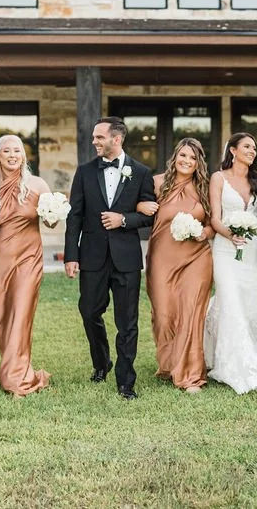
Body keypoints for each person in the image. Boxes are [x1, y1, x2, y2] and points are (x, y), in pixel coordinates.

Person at [64, 117, 155, 400]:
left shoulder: (141, 172)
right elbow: (74, 216)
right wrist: (71, 255)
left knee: (127, 322)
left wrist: (124, 220)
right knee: (89, 312)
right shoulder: (85, 172)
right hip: (92, 256)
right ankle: (101, 362)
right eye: (94, 137)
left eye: (99, 137)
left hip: (126, 258)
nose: (94, 142)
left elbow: (149, 214)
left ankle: (126, 382)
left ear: (117, 139)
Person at [204, 133, 257, 394]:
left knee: (250, 301)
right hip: (226, 250)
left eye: (254, 147)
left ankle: (246, 349)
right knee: (230, 300)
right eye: (247, 146)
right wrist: (229, 234)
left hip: (251, 251)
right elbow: (215, 218)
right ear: (233, 150)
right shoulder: (218, 178)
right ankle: (233, 362)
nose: (252, 150)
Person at [140, 138, 214, 393]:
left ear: (199, 163)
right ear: (175, 157)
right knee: (163, 314)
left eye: (193, 158)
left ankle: (190, 374)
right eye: (183, 155)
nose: (187, 161)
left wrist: (204, 233)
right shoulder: (157, 183)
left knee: (191, 313)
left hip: (196, 258)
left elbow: (215, 222)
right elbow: (137, 208)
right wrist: (141, 205)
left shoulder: (205, 186)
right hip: (162, 258)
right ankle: (170, 363)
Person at [0, 135, 51, 397]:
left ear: (24, 156)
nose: (12, 155)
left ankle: (16, 375)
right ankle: (14, 363)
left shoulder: (37, 184)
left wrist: (54, 213)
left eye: (17, 151)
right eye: (6, 151)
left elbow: (51, 222)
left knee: (21, 313)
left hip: (28, 257)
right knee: (0, 313)